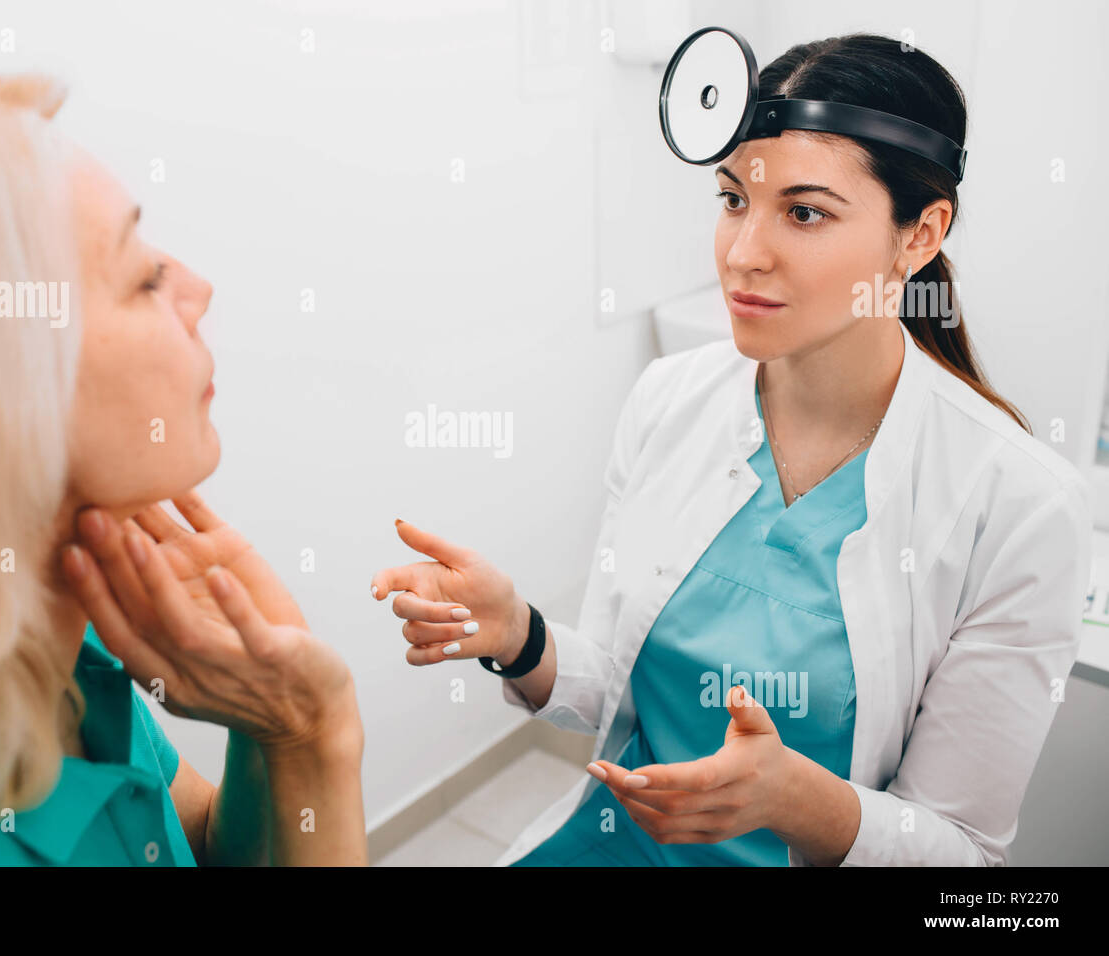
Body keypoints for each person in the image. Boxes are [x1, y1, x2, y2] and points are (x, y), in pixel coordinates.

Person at [370, 33, 1094, 866]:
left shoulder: (1021, 505)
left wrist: (797, 800)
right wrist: (519, 633)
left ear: (919, 236)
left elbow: (964, 852)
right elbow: (618, 692)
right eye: (732, 199)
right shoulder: (669, 401)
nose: (743, 252)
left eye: (805, 212)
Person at [0, 75, 365, 865]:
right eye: (144, 278)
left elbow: (199, 839)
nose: (199, 292)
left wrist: (267, 717)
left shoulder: (46, 645)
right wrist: (317, 736)